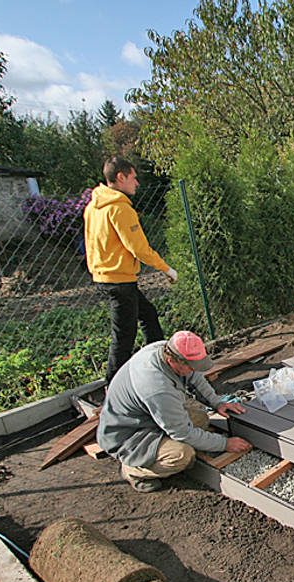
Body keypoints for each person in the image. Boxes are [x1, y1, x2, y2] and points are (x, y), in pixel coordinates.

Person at [97, 330, 251, 493]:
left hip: (149, 415)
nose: (193, 370)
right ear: (171, 361)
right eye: (190, 366)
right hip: (130, 434)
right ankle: (133, 470)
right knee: (182, 455)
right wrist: (225, 444)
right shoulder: (157, 387)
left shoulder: (165, 349)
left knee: (201, 418)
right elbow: (182, 433)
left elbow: (195, 376)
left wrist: (217, 403)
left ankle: (163, 442)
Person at [85, 156, 178, 382]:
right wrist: (166, 269)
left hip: (106, 277)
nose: (137, 183)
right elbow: (139, 248)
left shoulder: (93, 207)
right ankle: (113, 386)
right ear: (121, 177)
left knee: (148, 316)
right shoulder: (119, 208)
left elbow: (90, 242)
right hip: (119, 281)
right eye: (133, 178)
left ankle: (158, 363)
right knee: (124, 336)